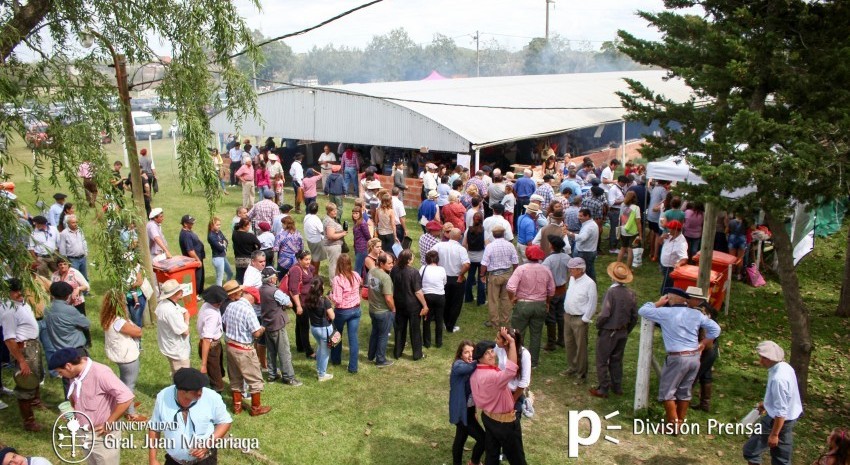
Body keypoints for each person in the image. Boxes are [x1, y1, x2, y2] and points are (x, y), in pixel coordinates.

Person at [638, 288, 721, 434]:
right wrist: (704, 343)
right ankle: (679, 423)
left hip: (677, 357)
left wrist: (658, 303)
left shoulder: (666, 313)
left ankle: (673, 425)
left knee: (667, 392)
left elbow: (643, 310)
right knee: (684, 391)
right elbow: (716, 329)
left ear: (670, 298)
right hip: (694, 357)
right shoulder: (696, 314)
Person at [49, 348, 134, 465]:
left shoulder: (101, 373)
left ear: (68, 366)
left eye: (60, 372)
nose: (60, 375)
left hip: (102, 436)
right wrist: (72, 411)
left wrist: (109, 422)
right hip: (83, 432)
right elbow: (77, 397)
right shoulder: (74, 375)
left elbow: (126, 397)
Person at [148, 367, 233, 465]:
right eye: (196, 391)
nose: (200, 393)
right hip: (174, 461)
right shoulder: (163, 397)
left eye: (201, 388)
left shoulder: (212, 397)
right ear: (182, 391)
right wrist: (153, 459)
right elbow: (154, 428)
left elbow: (225, 422)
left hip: (204, 461)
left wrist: (208, 443)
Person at [469, 329, 526, 465]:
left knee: (492, 456)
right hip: (504, 424)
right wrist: (512, 343)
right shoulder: (492, 376)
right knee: (517, 459)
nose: (491, 355)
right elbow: (512, 369)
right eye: (486, 353)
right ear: (480, 358)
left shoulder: (476, 373)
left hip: (488, 417)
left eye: (491, 351)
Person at [742, 341, 803, 465]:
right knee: (781, 459)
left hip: (776, 420)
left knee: (751, 451)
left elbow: (781, 411)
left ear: (771, 359)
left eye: (763, 358)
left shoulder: (778, 379)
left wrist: (774, 434)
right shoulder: (785, 367)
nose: (760, 361)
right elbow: (786, 397)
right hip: (789, 419)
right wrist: (766, 404)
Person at [221, 281, 271, 416]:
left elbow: (224, 323)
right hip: (244, 349)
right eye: (256, 301)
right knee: (255, 379)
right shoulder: (249, 310)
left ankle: (237, 407)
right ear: (251, 297)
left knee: (235, 377)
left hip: (230, 346)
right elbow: (255, 333)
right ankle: (256, 408)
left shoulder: (230, 306)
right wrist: (262, 329)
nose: (255, 303)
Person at [1, 278, 45, 431]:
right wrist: (21, 361)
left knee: (37, 376)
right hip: (24, 349)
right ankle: (29, 421)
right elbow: (9, 339)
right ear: (7, 292)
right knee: (25, 382)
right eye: (14, 291)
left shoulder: (22, 303)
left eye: (20, 289)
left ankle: (35, 401)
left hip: (33, 345)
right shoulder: (8, 310)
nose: (19, 293)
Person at [589, 262, 637, 398]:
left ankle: (603, 388)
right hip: (622, 331)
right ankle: (617, 386)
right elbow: (634, 316)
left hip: (609, 331)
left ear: (613, 277)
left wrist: (599, 324)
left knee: (602, 360)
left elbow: (605, 313)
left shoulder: (611, 292)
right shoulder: (631, 293)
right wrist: (627, 330)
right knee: (617, 360)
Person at [506, 245, 554, 368]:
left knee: (518, 333)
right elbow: (551, 290)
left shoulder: (521, 269)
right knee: (536, 334)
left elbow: (510, 287)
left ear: (527, 255)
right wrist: (547, 302)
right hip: (540, 304)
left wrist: (513, 298)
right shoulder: (546, 270)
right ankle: (533, 362)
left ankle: (516, 358)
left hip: (523, 303)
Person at [257, 268, 302, 387]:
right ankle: (289, 377)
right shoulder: (275, 291)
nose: (276, 278)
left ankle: (272, 375)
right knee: (284, 352)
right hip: (277, 325)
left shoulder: (260, 290)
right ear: (271, 279)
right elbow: (289, 303)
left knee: (271, 352)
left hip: (267, 324)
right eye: (275, 276)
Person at [44, 282, 90, 389]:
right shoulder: (70, 310)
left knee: (68, 383)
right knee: (83, 380)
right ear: (67, 295)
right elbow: (86, 324)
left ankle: (69, 403)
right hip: (75, 351)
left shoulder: (47, 309)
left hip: (59, 350)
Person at [449, 340, 485, 465]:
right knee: (483, 439)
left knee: (460, 438)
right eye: (466, 352)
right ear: (460, 354)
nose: (470, 355)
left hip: (468, 411)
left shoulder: (471, 367)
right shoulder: (458, 365)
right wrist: (480, 359)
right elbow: (468, 367)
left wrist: (474, 410)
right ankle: (474, 462)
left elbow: (472, 393)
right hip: (461, 412)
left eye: (472, 352)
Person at [390, 250, 429, 361]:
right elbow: (418, 291)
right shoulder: (414, 272)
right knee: (415, 330)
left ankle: (397, 352)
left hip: (399, 303)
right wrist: (425, 305)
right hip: (413, 306)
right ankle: (417, 354)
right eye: (412, 257)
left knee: (399, 329)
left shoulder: (394, 270)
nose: (413, 259)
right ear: (408, 260)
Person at [685, 286, 718, 412]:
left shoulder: (700, 311)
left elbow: (703, 333)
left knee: (693, 375)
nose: (686, 301)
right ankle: (705, 404)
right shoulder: (708, 308)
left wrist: (700, 346)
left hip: (704, 347)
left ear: (695, 299)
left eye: (688, 298)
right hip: (711, 347)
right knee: (706, 374)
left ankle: (683, 402)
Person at [432, 228, 470, 334]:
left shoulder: (440, 245)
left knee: (445, 300)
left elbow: (430, 254)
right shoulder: (461, 249)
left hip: (443, 277)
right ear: (459, 237)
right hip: (456, 278)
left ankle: (445, 321)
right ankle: (450, 325)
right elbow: (466, 264)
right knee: (455, 303)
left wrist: (437, 265)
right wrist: (461, 274)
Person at [480, 225, 519, 328]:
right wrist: (515, 273)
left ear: (493, 234)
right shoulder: (510, 245)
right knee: (506, 299)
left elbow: (484, 263)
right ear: (504, 234)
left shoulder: (490, 246)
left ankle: (494, 322)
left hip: (494, 275)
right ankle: (505, 321)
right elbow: (515, 261)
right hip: (507, 274)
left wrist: (482, 274)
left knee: (493, 300)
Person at [50, 256, 91, 347]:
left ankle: (87, 341)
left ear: (68, 265)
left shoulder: (74, 273)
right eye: (60, 265)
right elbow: (52, 289)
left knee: (81, 320)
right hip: (62, 304)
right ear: (57, 266)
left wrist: (78, 289)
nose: (63, 266)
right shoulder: (54, 275)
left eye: (65, 264)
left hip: (76, 302)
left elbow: (86, 286)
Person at [155, 280, 191, 374]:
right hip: (177, 350)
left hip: (171, 346)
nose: (182, 291)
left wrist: (186, 315)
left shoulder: (166, 303)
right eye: (179, 290)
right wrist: (186, 321)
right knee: (183, 376)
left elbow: (184, 311)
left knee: (178, 374)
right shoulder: (170, 311)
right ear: (173, 294)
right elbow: (185, 331)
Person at [303, 277, 335, 382]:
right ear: (321, 287)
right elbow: (332, 316)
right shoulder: (324, 301)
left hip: (314, 328)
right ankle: (322, 374)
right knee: (325, 352)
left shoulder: (308, 299)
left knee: (320, 348)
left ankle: (318, 369)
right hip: (324, 328)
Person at [495, 328, 531, 420]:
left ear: (506, 342)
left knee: (512, 422)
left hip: (514, 394)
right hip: (500, 391)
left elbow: (524, 381)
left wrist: (512, 401)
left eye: (498, 338)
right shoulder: (500, 348)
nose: (495, 340)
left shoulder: (525, 354)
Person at [367, 252, 396, 368]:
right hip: (383, 312)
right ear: (381, 263)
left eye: (392, 263)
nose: (392, 265)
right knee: (383, 335)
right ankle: (380, 360)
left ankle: (371, 355)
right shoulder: (386, 278)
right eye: (389, 263)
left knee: (375, 332)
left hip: (373, 309)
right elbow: (388, 299)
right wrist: (393, 309)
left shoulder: (372, 271)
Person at [197, 286, 227, 392]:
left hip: (215, 345)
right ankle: (217, 395)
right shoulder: (212, 315)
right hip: (211, 348)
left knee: (218, 370)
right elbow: (206, 340)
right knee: (216, 379)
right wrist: (204, 364)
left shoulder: (206, 305)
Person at [542, 236, 569, 352]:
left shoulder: (548, 260)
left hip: (551, 291)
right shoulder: (567, 257)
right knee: (561, 315)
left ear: (552, 246)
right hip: (562, 289)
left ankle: (551, 342)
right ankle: (562, 339)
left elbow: (543, 276)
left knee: (550, 316)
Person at [288, 250, 316, 359]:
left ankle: (300, 346)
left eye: (309, 259)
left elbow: (313, 269)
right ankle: (309, 351)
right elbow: (293, 290)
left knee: (299, 322)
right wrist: (298, 306)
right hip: (300, 301)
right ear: (299, 260)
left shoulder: (308, 267)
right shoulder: (295, 270)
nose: (309, 261)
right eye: (306, 259)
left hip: (306, 300)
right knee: (304, 325)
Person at [420, 250, 447, 349]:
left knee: (426, 319)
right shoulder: (442, 269)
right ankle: (438, 342)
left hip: (427, 296)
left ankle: (427, 342)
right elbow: (444, 282)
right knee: (439, 319)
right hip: (440, 296)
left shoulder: (423, 268)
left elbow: (419, 281)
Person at [566, 208, 599, 281]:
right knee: (589, 270)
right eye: (579, 215)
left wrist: (569, 233)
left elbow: (581, 238)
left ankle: (590, 286)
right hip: (588, 251)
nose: (579, 217)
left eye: (581, 216)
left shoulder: (589, 227)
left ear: (587, 216)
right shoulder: (589, 224)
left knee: (587, 272)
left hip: (586, 253)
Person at [178, 214, 206, 294]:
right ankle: (196, 294)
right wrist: (197, 260)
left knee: (200, 277)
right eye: (190, 223)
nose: (192, 224)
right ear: (185, 224)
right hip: (193, 260)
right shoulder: (186, 235)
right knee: (197, 277)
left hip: (197, 258)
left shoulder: (188, 231)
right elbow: (190, 250)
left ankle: (200, 292)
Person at [659, 220, 688, 295]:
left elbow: (684, 258)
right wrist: (661, 238)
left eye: (670, 228)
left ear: (676, 230)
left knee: (665, 288)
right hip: (664, 265)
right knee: (666, 284)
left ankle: (666, 299)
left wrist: (678, 263)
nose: (668, 229)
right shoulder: (668, 235)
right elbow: (660, 243)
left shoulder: (682, 243)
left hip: (670, 268)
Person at [463, 212, 486, 306]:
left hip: (471, 258)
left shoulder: (468, 230)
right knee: (481, 278)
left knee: (469, 278)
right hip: (481, 258)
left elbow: (464, 244)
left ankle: (468, 297)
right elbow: (487, 244)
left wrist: (468, 250)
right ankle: (481, 301)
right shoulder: (485, 231)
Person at [57, 214, 88, 280]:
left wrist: (85, 252)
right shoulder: (64, 233)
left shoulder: (80, 230)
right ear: (68, 223)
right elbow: (62, 248)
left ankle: (85, 290)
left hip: (82, 258)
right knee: (74, 278)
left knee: (84, 277)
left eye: (76, 222)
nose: (75, 224)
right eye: (73, 222)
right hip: (72, 260)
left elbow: (84, 241)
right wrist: (65, 261)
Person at [617, 190, 642, 268]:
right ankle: (628, 268)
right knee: (630, 250)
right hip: (632, 231)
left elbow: (621, 216)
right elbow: (638, 222)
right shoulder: (636, 208)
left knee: (623, 248)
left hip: (623, 229)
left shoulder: (622, 205)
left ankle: (617, 266)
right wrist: (640, 234)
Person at [323, 202, 348, 278]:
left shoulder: (330, 219)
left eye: (335, 210)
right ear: (328, 211)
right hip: (333, 246)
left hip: (333, 245)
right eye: (333, 211)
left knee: (335, 264)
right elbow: (330, 236)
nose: (335, 212)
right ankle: (333, 283)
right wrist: (342, 234)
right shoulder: (330, 222)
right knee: (333, 265)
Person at [231, 218, 260, 283]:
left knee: (239, 277)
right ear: (244, 226)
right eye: (248, 225)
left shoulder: (234, 234)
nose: (249, 227)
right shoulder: (250, 236)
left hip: (238, 259)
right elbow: (259, 245)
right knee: (249, 278)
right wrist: (255, 249)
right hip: (248, 258)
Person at [207, 217, 234, 286]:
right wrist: (223, 244)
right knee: (220, 278)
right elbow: (220, 248)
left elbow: (226, 241)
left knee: (230, 273)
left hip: (223, 257)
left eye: (220, 224)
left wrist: (223, 244)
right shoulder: (211, 236)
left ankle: (227, 287)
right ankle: (219, 293)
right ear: (212, 225)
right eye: (217, 225)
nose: (219, 226)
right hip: (217, 258)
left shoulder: (219, 232)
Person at [303, 202, 327, 271]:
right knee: (317, 258)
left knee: (313, 256)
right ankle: (315, 274)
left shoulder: (306, 216)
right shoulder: (316, 219)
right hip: (316, 241)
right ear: (317, 210)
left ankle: (311, 270)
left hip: (309, 240)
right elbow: (322, 232)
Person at [352, 207, 371, 276]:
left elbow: (368, 236)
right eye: (353, 213)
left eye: (357, 213)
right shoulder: (356, 222)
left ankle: (356, 284)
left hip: (362, 248)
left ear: (360, 214)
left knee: (357, 268)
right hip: (357, 247)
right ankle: (364, 283)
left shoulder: (363, 223)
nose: (355, 215)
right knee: (362, 267)